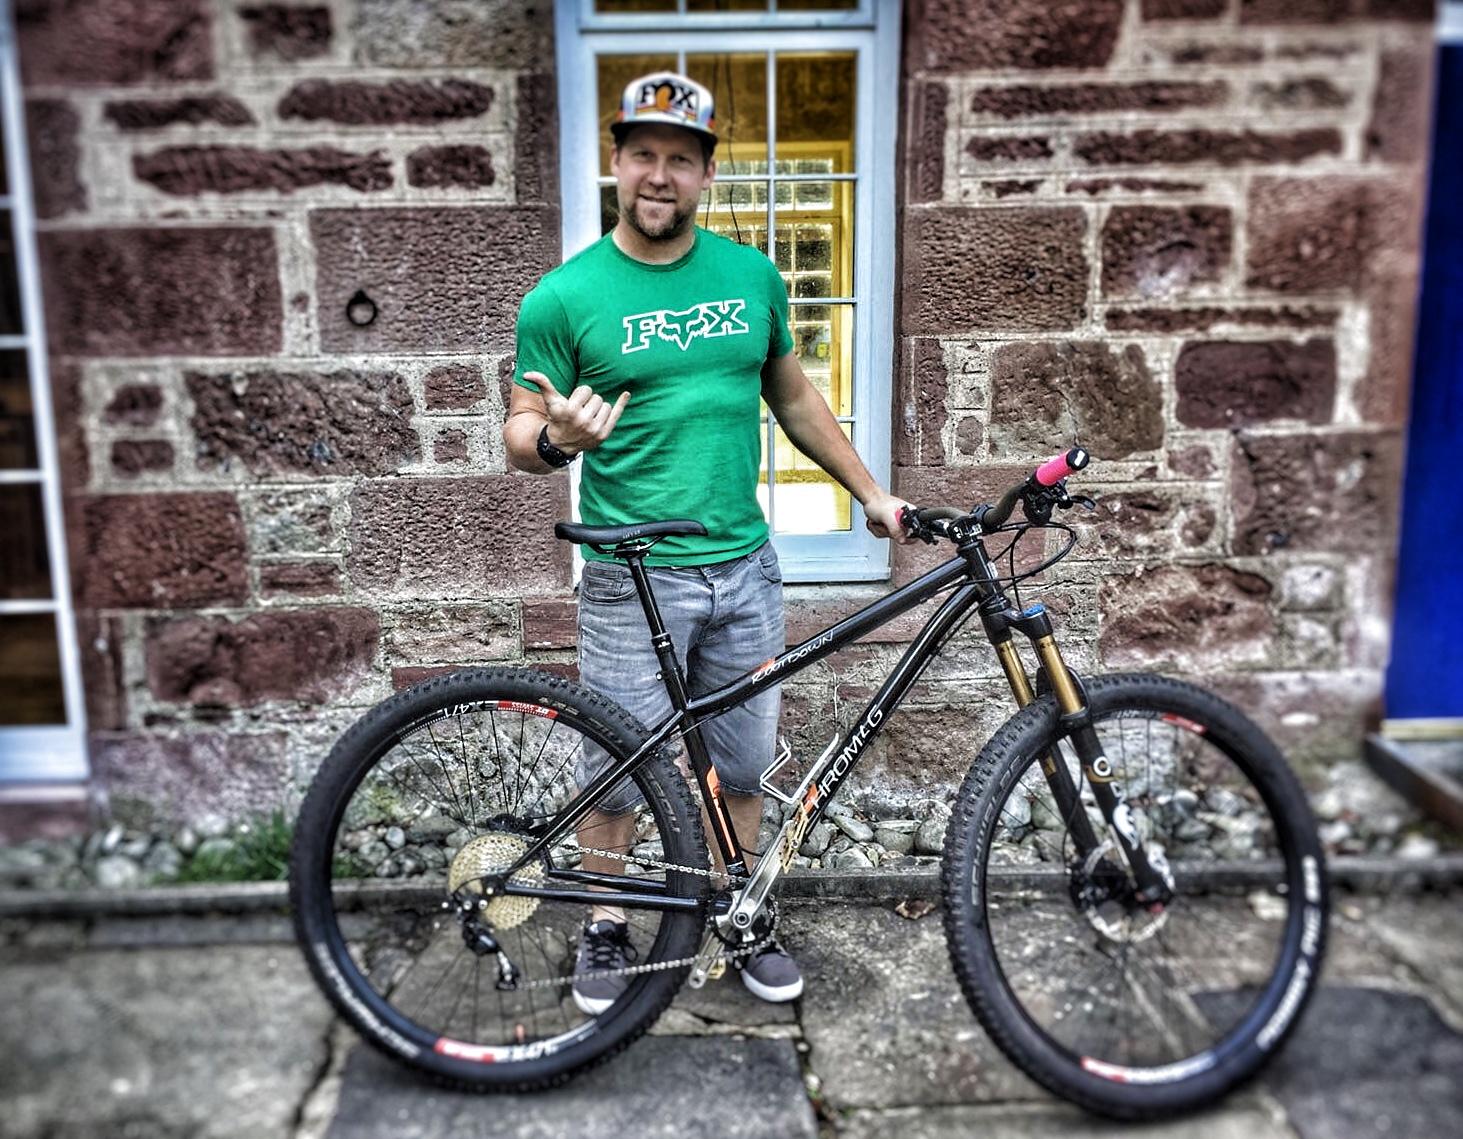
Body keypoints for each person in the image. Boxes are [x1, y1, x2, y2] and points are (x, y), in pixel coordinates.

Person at [503, 71, 908, 1014]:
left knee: (740, 760)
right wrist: (562, 436)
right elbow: (520, 436)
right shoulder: (562, 299)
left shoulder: (750, 276)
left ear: (704, 176)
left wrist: (872, 495)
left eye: (679, 160)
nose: (658, 175)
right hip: (627, 573)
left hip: (744, 567)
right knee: (616, 769)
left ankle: (740, 913)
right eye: (642, 154)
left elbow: (795, 395)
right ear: (615, 164)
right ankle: (605, 925)